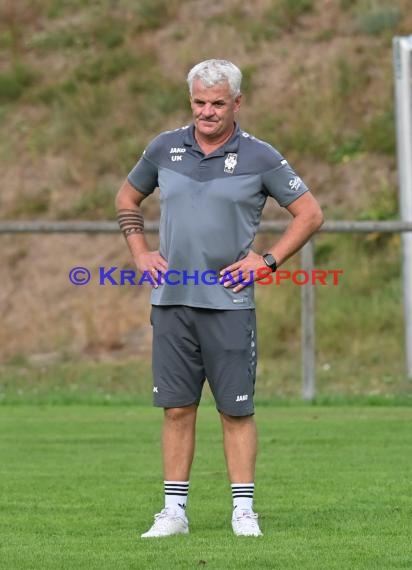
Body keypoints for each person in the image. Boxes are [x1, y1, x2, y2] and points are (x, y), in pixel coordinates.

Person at [115, 59, 323, 538]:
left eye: (217, 103)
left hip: (229, 305)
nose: (207, 112)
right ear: (191, 100)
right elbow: (127, 199)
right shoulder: (164, 148)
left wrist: (266, 262)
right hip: (171, 303)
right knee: (175, 408)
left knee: (236, 409)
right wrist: (141, 252)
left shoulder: (261, 157)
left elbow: (310, 214)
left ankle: (243, 512)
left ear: (237, 103)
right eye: (199, 102)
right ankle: (173, 513)